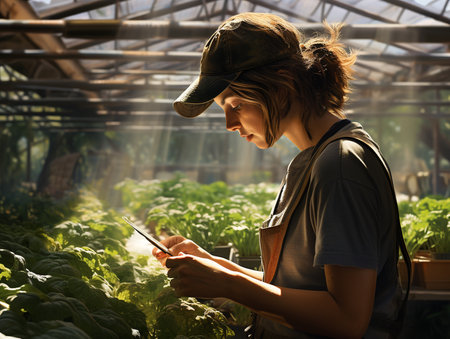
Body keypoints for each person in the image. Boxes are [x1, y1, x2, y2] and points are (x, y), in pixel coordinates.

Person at [153, 12, 408, 338]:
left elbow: (346, 320)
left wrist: (227, 284)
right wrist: (214, 266)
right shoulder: (317, 160)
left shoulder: (339, 165)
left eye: (236, 104)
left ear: (282, 85)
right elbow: (291, 292)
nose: (230, 124)